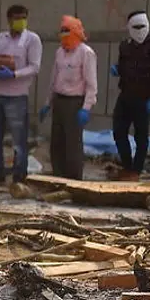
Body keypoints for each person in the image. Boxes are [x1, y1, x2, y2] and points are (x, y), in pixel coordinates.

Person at [0, 4, 42, 183]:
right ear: (9, 20)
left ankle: (19, 172)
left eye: (23, 18)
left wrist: (14, 74)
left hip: (17, 95)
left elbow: (34, 67)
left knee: (18, 138)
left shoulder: (31, 40)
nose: (20, 21)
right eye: (16, 18)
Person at [111, 10, 150, 180]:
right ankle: (127, 166)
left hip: (143, 98)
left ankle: (136, 170)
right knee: (119, 131)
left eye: (142, 26)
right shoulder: (125, 45)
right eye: (135, 27)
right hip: (126, 94)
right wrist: (117, 70)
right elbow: (122, 65)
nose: (140, 30)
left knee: (141, 136)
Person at [43, 15, 98, 180]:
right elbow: (54, 78)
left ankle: (73, 180)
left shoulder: (85, 53)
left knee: (72, 144)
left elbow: (91, 84)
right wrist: (48, 103)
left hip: (75, 103)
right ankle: (58, 177)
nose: (63, 35)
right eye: (62, 31)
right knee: (57, 142)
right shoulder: (60, 52)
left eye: (67, 31)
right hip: (59, 100)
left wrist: (86, 108)